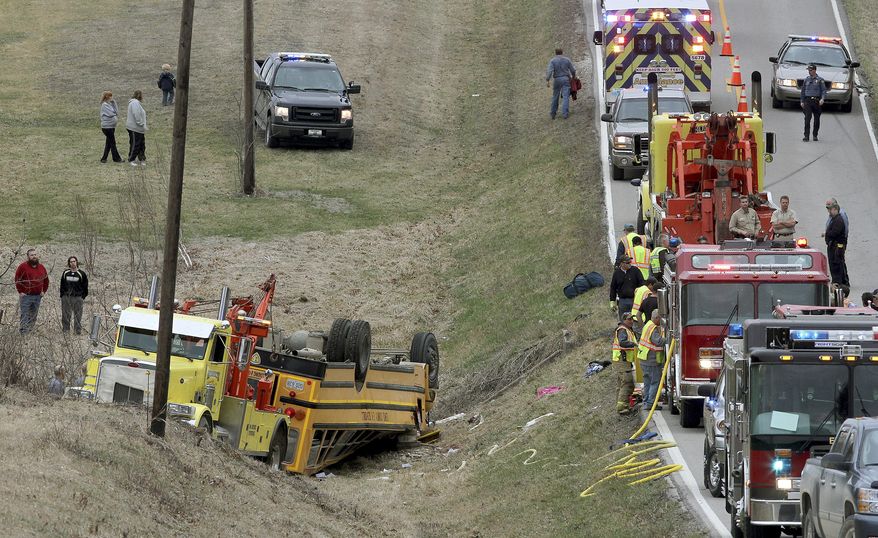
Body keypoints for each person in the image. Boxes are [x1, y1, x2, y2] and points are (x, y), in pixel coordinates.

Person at [14, 249, 49, 334]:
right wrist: (20, 291)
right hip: (26, 296)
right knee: (25, 314)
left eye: (35, 255)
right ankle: (23, 332)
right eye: (32, 255)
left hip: (37, 296)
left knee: (33, 315)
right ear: (28, 257)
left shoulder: (41, 267)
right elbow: (17, 279)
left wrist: (43, 291)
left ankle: (30, 331)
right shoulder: (22, 267)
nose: (34, 256)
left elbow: (46, 280)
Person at [638, 311, 666, 410]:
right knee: (655, 382)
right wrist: (668, 339)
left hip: (644, 358)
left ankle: (646, 402)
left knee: (647, 382)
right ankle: (650, 403)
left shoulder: (647, 325)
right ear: (657, 318)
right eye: (660, 319)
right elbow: (658, 341)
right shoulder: (653, 328)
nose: (661, 321)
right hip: (651, 360)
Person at [612, 313, 638, 415]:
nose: (631, 321)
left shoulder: (628, 330)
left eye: (632, 319)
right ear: (624, 320)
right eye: (629, 319)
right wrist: (634, 344)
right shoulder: (622, 330)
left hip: (624, 360)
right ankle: (622, 407)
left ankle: (620, 405)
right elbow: (622, 342)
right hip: (621, 360)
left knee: (621, 383)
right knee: (627, 382)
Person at [609, 255, 645, 321]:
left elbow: (642, 284)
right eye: (627, 263)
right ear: (622, 264)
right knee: (624, 321)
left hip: (635, 300)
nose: (629, 264)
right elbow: (613, 287)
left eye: (630, 262)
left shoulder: (635, 271)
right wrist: (612, 300)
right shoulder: (617, 273)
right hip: (622, 301)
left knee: (635, 319)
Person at [545, 47, 576, 120]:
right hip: (565, 79)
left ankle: (553, 113)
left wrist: (547, 80)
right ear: (562, 52)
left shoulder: (552, 61)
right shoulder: (567, 60)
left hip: (557, 80)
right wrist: (573, 77)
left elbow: (549, 71)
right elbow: (573, 70)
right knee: (565, 96)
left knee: (555, 96)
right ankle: (565, 114)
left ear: (555, 53)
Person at [60, 256, 89, 334]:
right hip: (66, 297)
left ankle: (77, 331)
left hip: (78, 298)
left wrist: (82, 297)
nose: (73, 263)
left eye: (74, 261)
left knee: (78, 315)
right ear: (69, 263)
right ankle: (66, 330)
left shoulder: (81, 273)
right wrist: (62, 295)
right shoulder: (65, 273)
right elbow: (62, 284)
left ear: (77, 262)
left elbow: (85, 286)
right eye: (71, 262)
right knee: (66, 315)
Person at [825, 201, 849, 287]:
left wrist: (827, 233)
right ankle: (842, 281)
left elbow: (835, 233)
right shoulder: (834, 219)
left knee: (836, 264)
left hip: (837, 246)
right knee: (836, 263)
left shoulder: (838, 220)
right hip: (833, 245)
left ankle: (838, 283)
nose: (829, 211)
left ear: (835, 209)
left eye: (830, 209)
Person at [801, 64, 826, 142]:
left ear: (815, 70)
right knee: (807, 119)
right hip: (808, 101)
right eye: (808, 70)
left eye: (810, 70)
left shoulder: (820, 80)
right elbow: (803, 91)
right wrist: (802, 101)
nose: (809, 72)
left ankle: (815, 135)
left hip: (816, 101)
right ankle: (806, 136)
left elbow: (824, 91)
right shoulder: (806, 79)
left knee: (817, 119)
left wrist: (822, 99)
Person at [99, 91, 123, 163]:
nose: (111, 97)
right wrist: (114, 112)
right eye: (110, 96)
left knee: (108, 143)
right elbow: (111, 113)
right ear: (107, 97)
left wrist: (114, 103)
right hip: (107, 127)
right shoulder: (104, 105)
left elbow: (116, 112)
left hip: (111, 126)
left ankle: (104, 158)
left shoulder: (110, 104)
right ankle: (116, 158)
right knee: (113, 143)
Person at [126, 90, 148, 166]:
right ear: (139, 95)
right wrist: (141, 123)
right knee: (135, 144)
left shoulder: (137, 103)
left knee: (142, 144)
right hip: (135, 128)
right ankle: (131, 159)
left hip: (139, 129)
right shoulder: (134, 103)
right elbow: (137, 114)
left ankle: (142, 159)